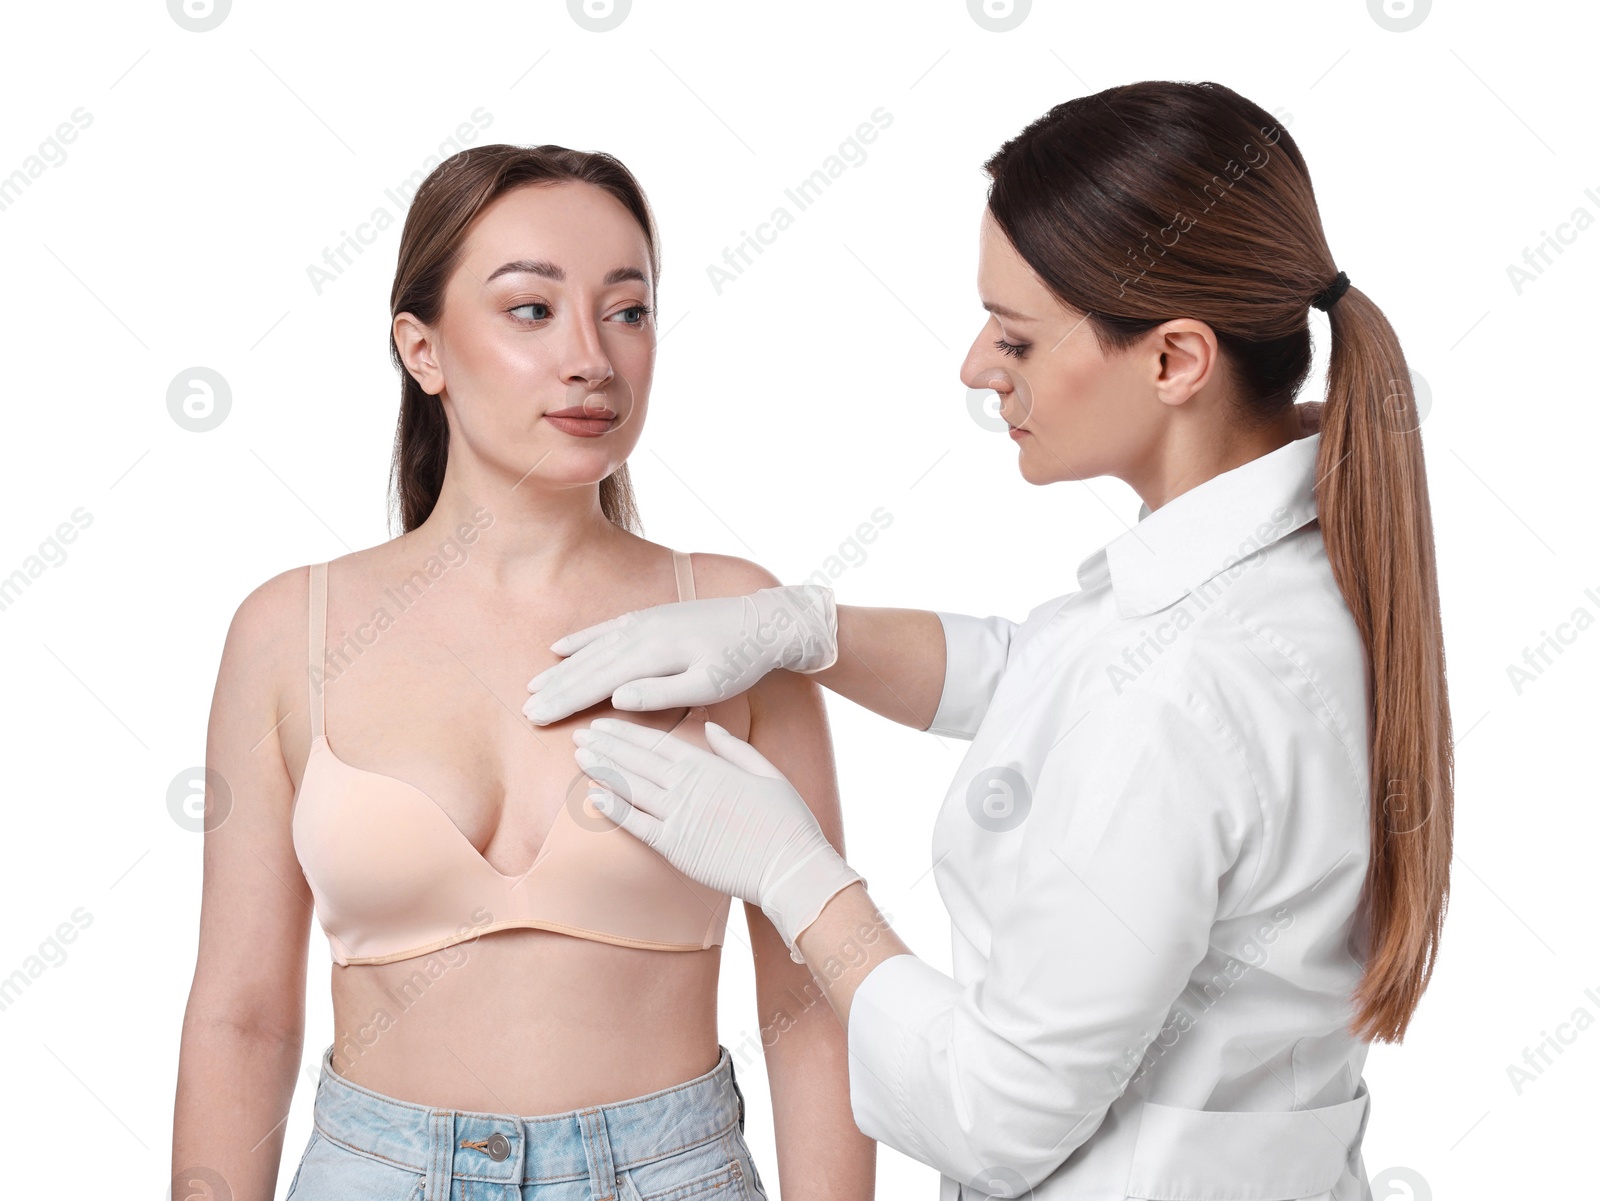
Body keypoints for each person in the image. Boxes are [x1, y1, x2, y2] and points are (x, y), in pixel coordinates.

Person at [525, 81, 1454, 1200]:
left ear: (1173, 361)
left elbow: (992, 1112)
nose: (975, 366)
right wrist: (809, 629)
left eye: (1014, 334)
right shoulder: (1271, 580)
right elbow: (1045, 673)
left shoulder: (1186, 688)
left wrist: (798, 879)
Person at [172, 144, 874, 1201]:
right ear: (423, 350)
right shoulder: (290, 629)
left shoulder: (732, 620)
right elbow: (242, 1013)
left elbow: (809, 1001)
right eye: (532, 311)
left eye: (627, 310)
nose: (592, 357)